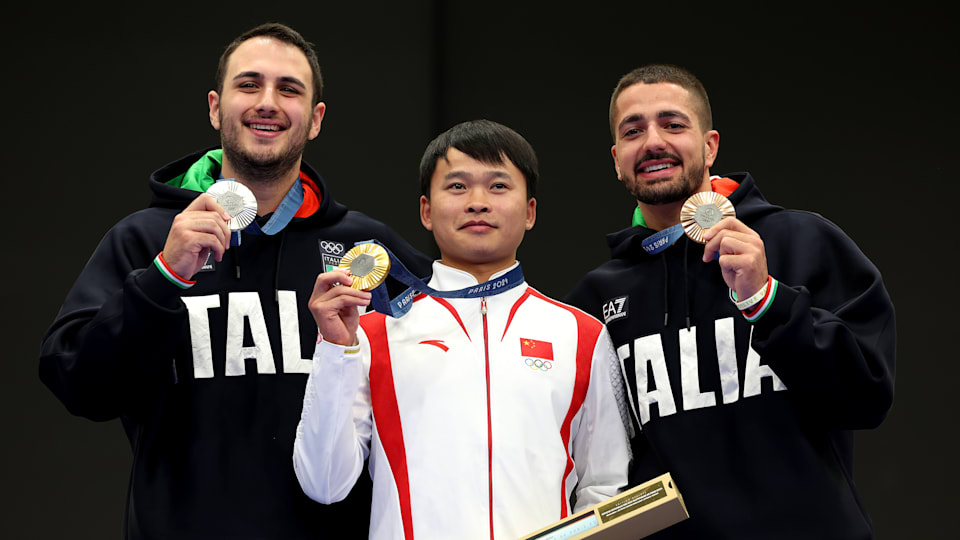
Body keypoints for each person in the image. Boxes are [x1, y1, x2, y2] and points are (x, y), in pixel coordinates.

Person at [38, 23, 430, 539]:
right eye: (248, 85)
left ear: (315, 120)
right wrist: (163, 278)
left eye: (288, 89)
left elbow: (453, 383)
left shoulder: (365, 250)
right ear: (215, 107)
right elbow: (80, 386)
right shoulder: (147, 239)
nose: (267, 102)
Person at [564, 64, 896, 538]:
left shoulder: (800, 241)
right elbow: (595, 471)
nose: (653, 141)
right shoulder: (595, 301)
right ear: (617, 160)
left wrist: (769, 300)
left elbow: (867, 398)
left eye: (673, 124)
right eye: (633, 130)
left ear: (710, 145)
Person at [293, 120, 631, 539]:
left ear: (530, 212)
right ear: (426, 211)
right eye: (457, 187)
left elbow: (607, 487)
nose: (477, 202)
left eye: (498, 186)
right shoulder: (373, 334)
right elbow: (325, 484)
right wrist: (335, 351)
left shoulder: (582, 335)